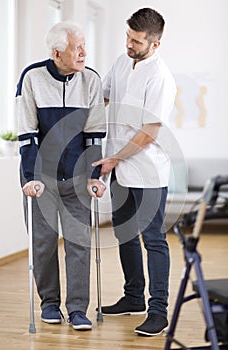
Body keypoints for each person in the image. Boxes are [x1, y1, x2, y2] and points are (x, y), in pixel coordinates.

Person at [16, 21, 106, 331]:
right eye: (77, 48)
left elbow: (94, 136)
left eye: (84, 46)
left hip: (78, 176)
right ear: (57, 53)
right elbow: (27, 134)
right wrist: (30, 176)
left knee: (79, 242)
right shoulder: (32, 79)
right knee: (43, 243)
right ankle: (49, 303)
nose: (84, 52)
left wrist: (96, 176)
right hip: (41, 176)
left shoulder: (90, 80)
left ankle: (78, 308)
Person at [92, 8, 176, 336]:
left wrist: (113, 159)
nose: (129, 44)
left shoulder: (160, 78)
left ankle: (158, 311)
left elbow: (148, 134)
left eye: (137, 41)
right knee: (124, 233)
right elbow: (104, 97)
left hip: (148, 171)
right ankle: (133, 297)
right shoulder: (121, 61)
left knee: (153, 239)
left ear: (155, 44)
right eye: (128, 36)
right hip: (119, 168)